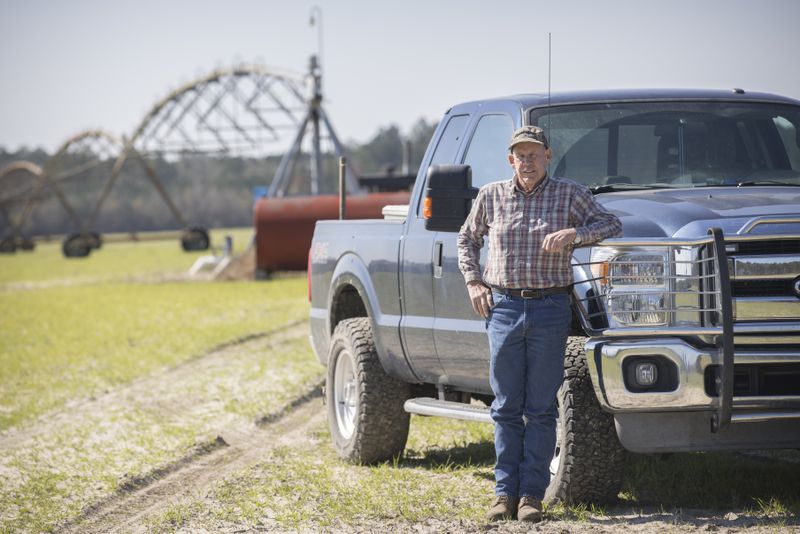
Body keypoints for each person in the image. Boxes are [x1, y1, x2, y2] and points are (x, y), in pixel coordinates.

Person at [457, 125, 622, 523]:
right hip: (504, 308)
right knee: (506, 406)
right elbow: (467, 238)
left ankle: (531, 494)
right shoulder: (491, 195)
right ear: (509, 160)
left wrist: (575, 233)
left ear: (548, 156)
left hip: (550, 308)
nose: (527, 162)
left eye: (534, 154)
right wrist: (474, 282)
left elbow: (612, 225)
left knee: (542, 407)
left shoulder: (569, 193)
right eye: (520, 155)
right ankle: (502, 494)